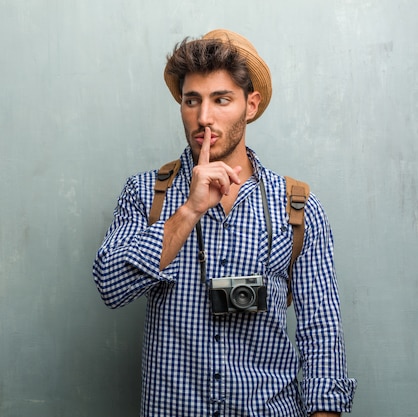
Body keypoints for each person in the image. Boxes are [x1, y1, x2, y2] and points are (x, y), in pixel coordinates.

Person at [93, 29, 356, 417]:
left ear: (251, 105)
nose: (204, 118)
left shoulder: (297, 209)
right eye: (191, 101)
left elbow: (322, 334)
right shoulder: (147, 193)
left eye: (221, 100)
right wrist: (188, 211)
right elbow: (110, 285)